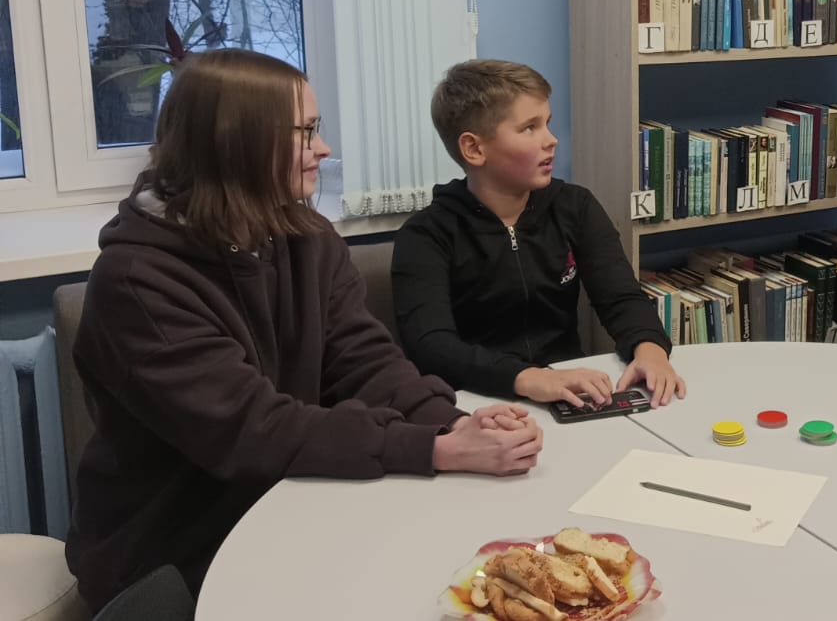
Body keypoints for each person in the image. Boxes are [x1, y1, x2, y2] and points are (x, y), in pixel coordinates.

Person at [65, 50, 542, 611]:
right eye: (306, 132)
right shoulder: (135, 281)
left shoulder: (305, 236)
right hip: (173, 559)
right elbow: (253, 430)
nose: (324, 148)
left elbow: (364, 361)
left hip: (295, 511)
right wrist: (434, 449)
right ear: (237, 140)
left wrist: (454, 422)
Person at [392, 59, 685, 409]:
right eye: (529, 128)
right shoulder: (426, 235)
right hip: (479, 401)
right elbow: (431, 346)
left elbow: (621, 298)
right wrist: (529, 379)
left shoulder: (575, 206)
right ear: (474, 149)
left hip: (570, 389)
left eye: (547, 123)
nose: (551, 140)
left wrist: (650, 350)